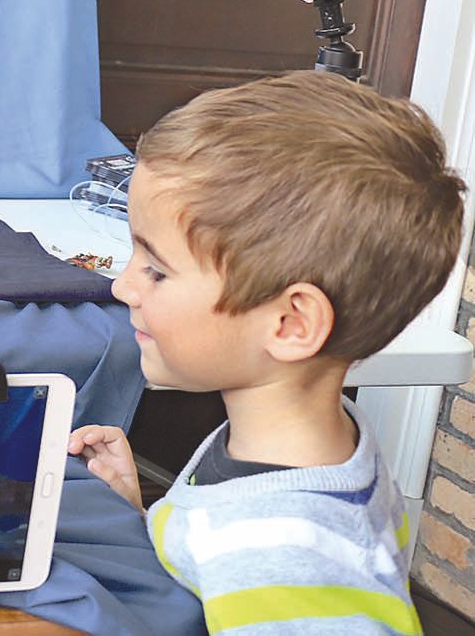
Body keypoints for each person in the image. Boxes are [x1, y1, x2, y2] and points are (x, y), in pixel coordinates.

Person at [68, 71, 464, 635]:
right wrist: (149, 522)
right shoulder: (318, 442)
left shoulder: (288, 553)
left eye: (156, 270)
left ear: (290, 323)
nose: (122, 287)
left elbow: (269, 576)